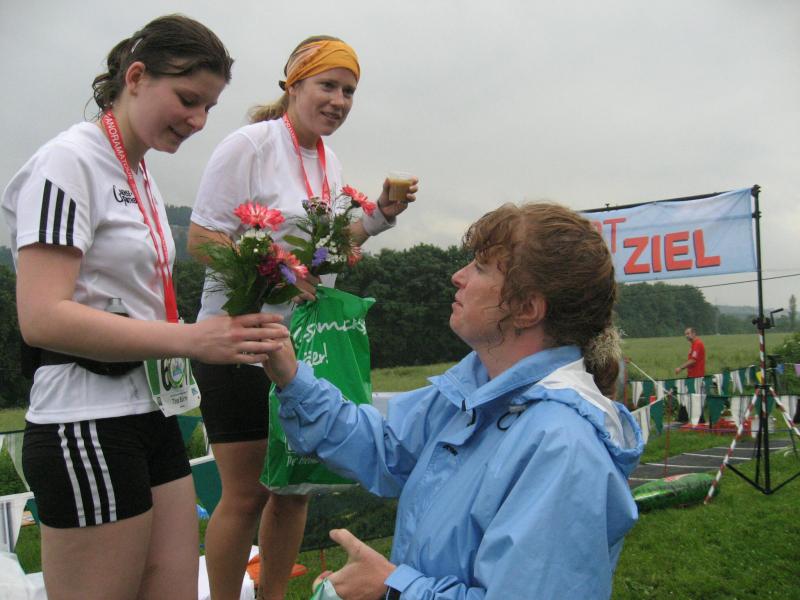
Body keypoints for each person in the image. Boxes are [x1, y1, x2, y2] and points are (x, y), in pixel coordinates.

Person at [1, 15, 290, 600]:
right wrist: (194, 339)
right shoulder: (69, 161)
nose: (198, 120)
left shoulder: (139, 172)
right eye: (187, 99)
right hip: (85, 417)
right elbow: (41, 316)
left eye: (209, 107)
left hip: (152, 411)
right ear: (135, 77)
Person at [261, 202, 644, 599]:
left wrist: (390, 589)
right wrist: (293, 378)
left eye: (481, 267)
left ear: (527, 309)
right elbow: (386, 448)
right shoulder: (477, 392)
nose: (458, 276)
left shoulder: (562, 448)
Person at [187, 35, 418, 600]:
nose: (339, 100)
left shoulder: (328, 160)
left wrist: (380, 217)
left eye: (349, 91)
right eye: (327, 85)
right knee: (246, 494)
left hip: (300, 349)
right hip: (237, 340)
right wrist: (279, 272)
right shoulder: (249, 144)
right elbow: (201, 239)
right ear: (293, 85)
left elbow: (326, 253)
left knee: (294, 491)